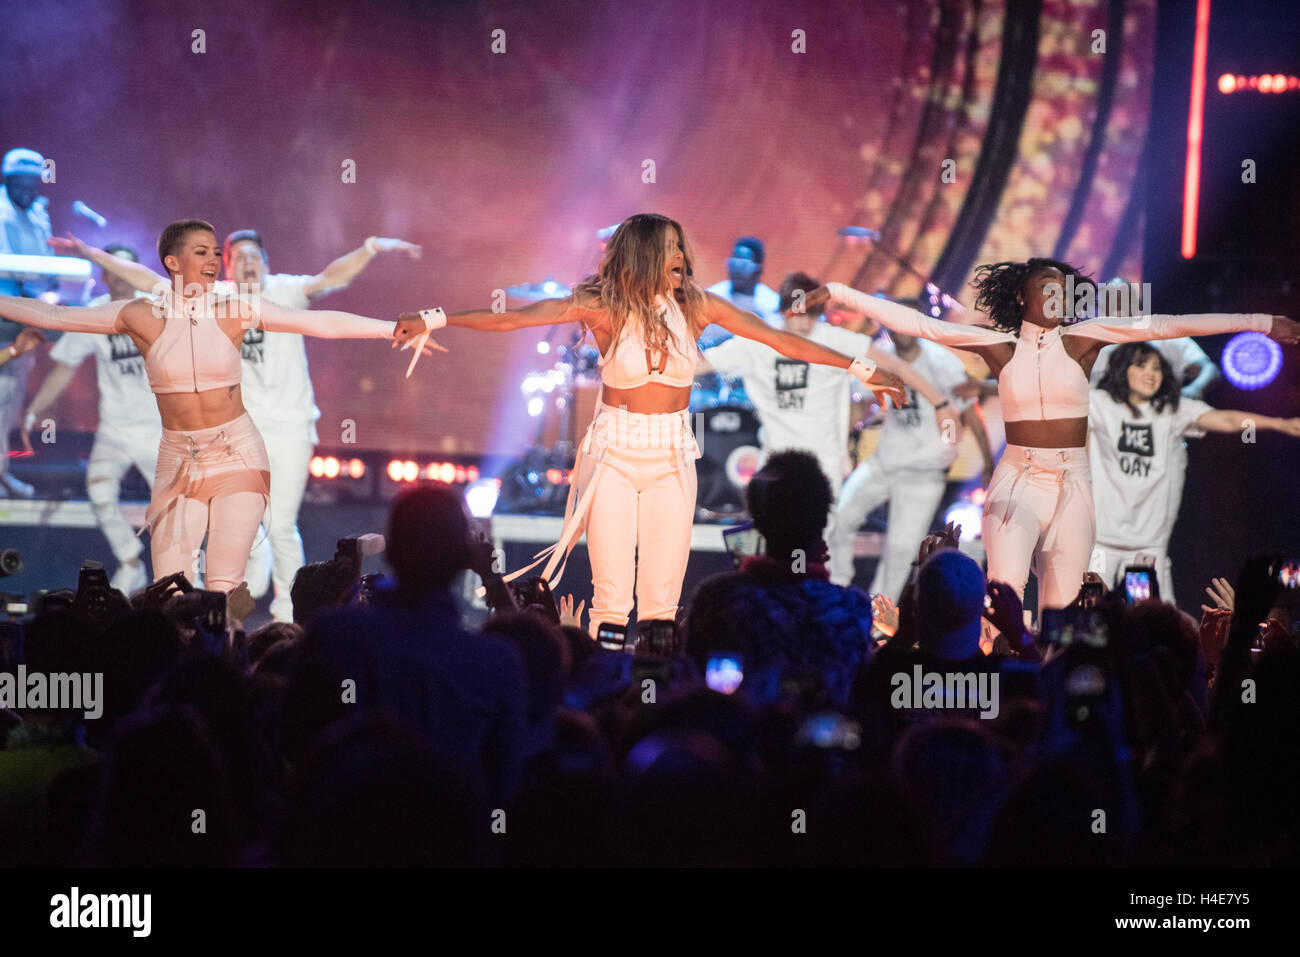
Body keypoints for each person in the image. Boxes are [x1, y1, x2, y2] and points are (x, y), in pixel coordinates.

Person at [402, 213, 905, 637]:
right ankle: (604, 696)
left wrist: (863, 367)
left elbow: (781, 341)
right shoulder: (600, 304)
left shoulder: (698, 305)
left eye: (682, 248)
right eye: (671, 249)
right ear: (644, 254)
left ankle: (651, 692)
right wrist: (434, 318)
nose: (683, 257)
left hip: (670, 456)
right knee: (612, 598)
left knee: (662, 602)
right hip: (614, 455)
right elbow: (515, 318)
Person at [806, 259, 1299, 614]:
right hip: (1018, 479)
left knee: (1062, 609)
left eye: (1063, 289)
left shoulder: (1087, 338)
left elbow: (1168, 325)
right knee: (1002, 594)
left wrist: (1260, 323)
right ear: (1023, 295)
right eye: (1047, 287)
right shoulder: (996, 345)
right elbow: (919, 324)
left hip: (1073, 484)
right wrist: (841, 293)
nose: (1059, 296)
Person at [0, 218, 432, 601]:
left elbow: (319, 323)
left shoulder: (235, 306)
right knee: (172, 585)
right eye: (201, 252)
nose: (212, 260)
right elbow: (54, 314)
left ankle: (246, 647)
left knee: (224, 586)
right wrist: (86, 256)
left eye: (213, 252)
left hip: (237, 453)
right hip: (177, 458)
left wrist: (389, 328)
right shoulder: (140, 314)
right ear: (172, 263)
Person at [282, 483, 529, 803]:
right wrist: (491, 576)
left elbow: (292, 742)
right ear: (463, 558)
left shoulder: (334, 637)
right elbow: (507, 779)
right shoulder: (496, 662)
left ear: (392, 551)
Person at [698, 274, 958, 497]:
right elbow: (699, 366)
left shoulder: (835, 340)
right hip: (776, 464)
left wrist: (941, 404)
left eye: (810, 315)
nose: (802, 323)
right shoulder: (756, 342)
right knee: (777, 548)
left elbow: (896, 366)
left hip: (823, 467)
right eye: (796, 314)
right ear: (783, 309)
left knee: (817, 549)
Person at [1087, 342, 1300, 607]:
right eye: (1141, 365)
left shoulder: (1173, 410)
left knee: (1147, 623)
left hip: (1146, 549)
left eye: (1157, 367)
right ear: (1122, 369)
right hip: (1100, 544)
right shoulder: (1098, 403)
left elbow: (1226, 420)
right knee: (1088, 619)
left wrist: (1279, 424)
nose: (1151, 374)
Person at [683, 449, 876, 708]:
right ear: (821, 522)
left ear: (758, 521)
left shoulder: (719, 599)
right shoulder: (852, 608)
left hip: (739, 743)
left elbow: (692, 687)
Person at [830, 304, 996, 598]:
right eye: (896, 322)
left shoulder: (943, 364)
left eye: (909, 323)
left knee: (900, 549)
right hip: (884, 462)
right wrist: (838, 439)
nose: (902, 329)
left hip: (925, 472)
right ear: (888, 326)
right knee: (838, 519)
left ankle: (878, 617)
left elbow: (971, 414)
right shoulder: (880, 354)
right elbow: (861, 405)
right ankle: (836, 588)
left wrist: (986, 463)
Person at [22, 244, 160, 593]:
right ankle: (130, 563)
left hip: (158, 428)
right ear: (104, 274)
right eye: (112, 269)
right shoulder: (95, 314)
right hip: (115, 429)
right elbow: (64, 367)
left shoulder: (160, 307)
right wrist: (35, 409)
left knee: (173, 507)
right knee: (100, 492)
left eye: (126, 268)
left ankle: (187, 574)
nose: (120, 276)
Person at [0, 148, 56, 497]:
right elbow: (10, 265)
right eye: (19, 181)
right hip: (3, 312)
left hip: (24, 317)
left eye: (32, 182)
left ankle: (2, 471)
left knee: (11, 398)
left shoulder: (39, 214)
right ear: (7, 180)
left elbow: (45, 264)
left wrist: (49, 278)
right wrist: (38, 276)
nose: (26, 188)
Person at [700, 236, 782, 347]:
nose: (736, 271)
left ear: (758, 270)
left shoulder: (771, 303)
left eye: (743, 266)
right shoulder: (711, 298)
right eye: (733, 264)